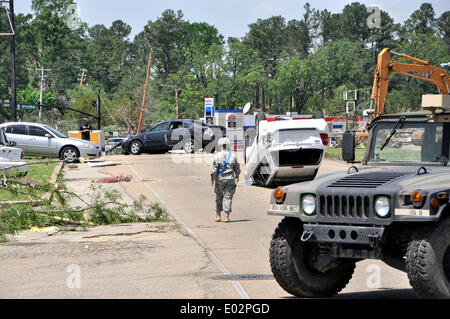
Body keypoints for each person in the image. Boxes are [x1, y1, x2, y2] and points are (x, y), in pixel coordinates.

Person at [210, 137, 240, 223]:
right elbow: (237, 168)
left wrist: (212, 179)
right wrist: (237, 176)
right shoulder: (233, 156)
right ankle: (227, 216)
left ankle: (218, 215)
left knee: (219, 196)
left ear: (220, 145)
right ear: (228, 145)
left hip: (219, 179)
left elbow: (214, 170)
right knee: (228, 197)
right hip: (230, 179)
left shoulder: (217, 156)